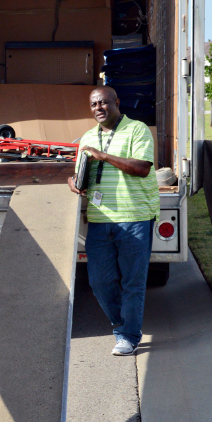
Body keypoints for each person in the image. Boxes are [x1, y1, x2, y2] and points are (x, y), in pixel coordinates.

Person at [68, 85, 159, 356]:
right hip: (100, 218)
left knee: (133, 282)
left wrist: (103, 155)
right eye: (94, 104)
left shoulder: (137, 130)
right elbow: (81, 173)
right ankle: (123, 324)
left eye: (104, 103)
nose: (99, 108)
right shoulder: (87, 137)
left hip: (135, 218)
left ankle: (127, 335)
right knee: (99, 281)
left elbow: (142, 168)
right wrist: (73, 181)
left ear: (117, 102)